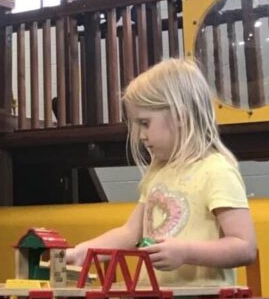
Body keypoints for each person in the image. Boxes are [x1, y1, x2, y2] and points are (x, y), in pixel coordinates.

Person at [66, 58, 257, 287]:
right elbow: (129, 234)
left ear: (180, 116)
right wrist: (83, 252)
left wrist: (185, 252)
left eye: (145, 123)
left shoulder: (216, 171)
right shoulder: (158, 175)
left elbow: (244, 246)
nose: (140, 135)